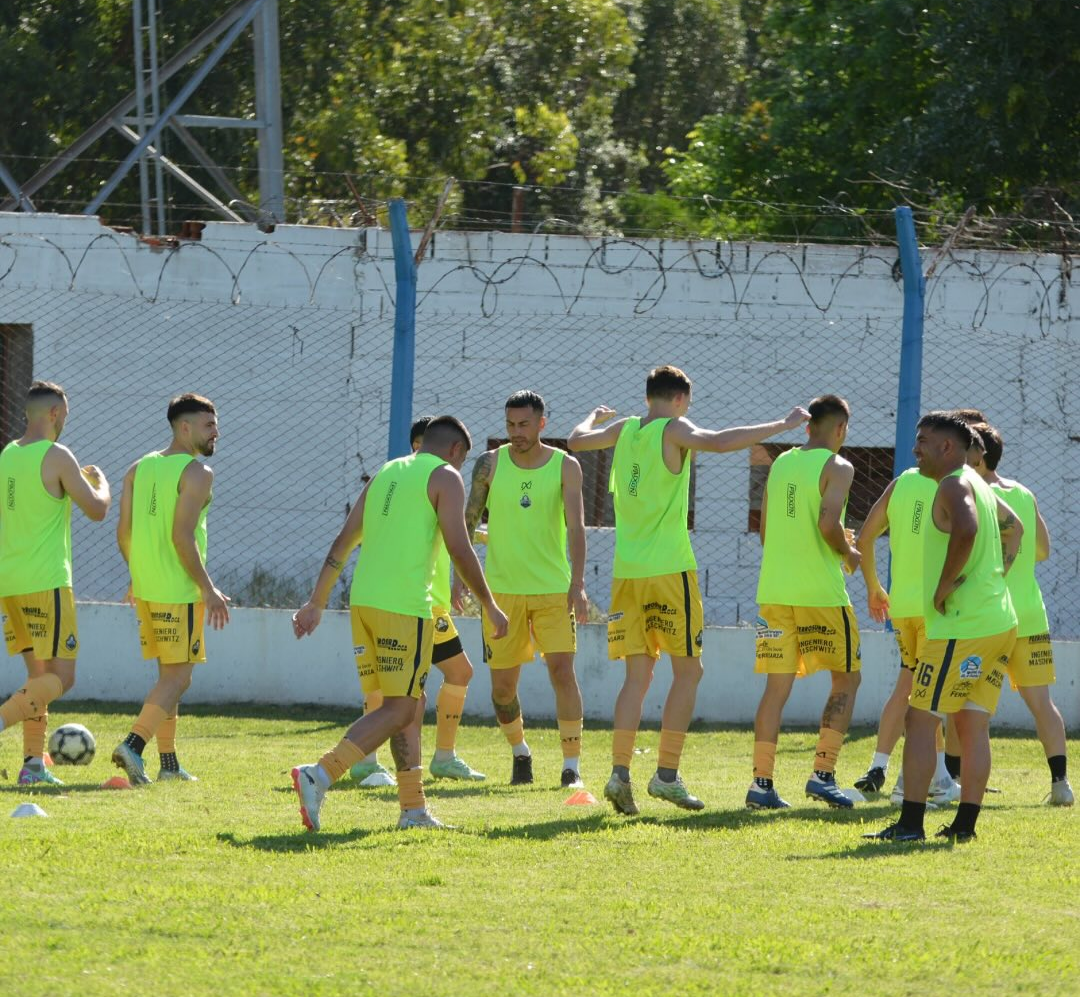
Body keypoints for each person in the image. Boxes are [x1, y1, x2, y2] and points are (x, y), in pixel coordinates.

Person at [569, 365, 808, 814]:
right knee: (689, 672)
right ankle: (666, 775)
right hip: (669, 571)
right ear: (681, 400)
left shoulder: (624, 429)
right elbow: (718, 442)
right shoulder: (674, 429)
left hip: (627, 574)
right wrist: (783, 425)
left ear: (647, 397)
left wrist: (593, 418)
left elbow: (577, 441)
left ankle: (620, 773)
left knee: (637, 677)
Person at [290, 416, 508, 832]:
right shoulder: (446, 476)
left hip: (365, 603)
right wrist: (490, 605)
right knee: (401, 706)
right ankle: (320, 774)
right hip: (405, 608)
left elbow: (343, 541)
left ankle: (413, 810)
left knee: (411, 704)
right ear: (457, 452)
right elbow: (460, 549)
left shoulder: (385, 473)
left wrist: (317, 601)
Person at [866, 412, 1020, 842]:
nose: (915, 449)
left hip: (961, 626)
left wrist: (945, 586)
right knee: (971, 724)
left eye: (922, 441)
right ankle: (964, 826)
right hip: (998, 621)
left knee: (920, 720)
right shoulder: (981, 485)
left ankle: (910, 824)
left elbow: (967, 530)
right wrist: (994, 578)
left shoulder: (954, 484)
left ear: (947, 447)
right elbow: (1016, 529)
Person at [461, 390, 589, 788]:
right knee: (502, 689)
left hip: (553, 590)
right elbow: (465, 524)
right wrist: (458, 581)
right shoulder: (488, 465)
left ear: (541, 424)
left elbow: (577, 527)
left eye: (524, 425)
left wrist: (578, 584)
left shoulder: (566, 467)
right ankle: (521, 753)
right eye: (510, 425)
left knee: (562, 673)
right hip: (501, 595)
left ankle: (572, 768)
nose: (516, 432)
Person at [350, 416, 486, 785]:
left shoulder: (415, 484)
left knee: (411, 691)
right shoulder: (423, 480)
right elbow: (452, 544)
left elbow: (451, 541)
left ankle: (416, 776)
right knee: (417, 689)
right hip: (417, 604)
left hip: (421, 601)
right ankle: (375, 763)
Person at [748, 394, 863, 810]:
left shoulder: (780, 464)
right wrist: (848, 553)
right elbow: (828, 523)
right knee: (847, 678)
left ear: (807, 426)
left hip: (775, 593)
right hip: (820, 594)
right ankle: (823, 774)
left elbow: (765, 533)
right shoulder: (839, 466)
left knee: (775, 688)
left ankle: (761, 784)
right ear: (840, 429)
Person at [113, 393, 230, 784]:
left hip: (147, 588)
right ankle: (133, 744)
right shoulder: (198, 473)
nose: (217, 432)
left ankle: (168, 766)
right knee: (179, 678)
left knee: (169, 676)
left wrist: (138, 574)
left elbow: (124, 533)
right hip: (178, 591)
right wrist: (209, 589)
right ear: (184, 428)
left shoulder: (138, 467)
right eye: (208, 425)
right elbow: (183, 537)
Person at [0, 381, 111, 785]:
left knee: (38, 681)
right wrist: (100, 481)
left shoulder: (8, 455)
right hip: (46, 581)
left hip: (9, 583)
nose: (65, 421)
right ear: (53, 414)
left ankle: (32, 767)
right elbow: (97, 510)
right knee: (62, 678)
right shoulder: (58, 455)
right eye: (64, 414)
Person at [969, 422, 1072, 806]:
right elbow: (1042, 548)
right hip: (1029, 612)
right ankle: (1061, 783)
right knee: (1041, 702)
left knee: (966, 702)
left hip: (988, 615)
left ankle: (951, 781)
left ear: (976, 454)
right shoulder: (1023, 492)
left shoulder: (973, 492)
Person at [853, 462, 961, 807]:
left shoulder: (901, 483)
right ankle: (926, 780)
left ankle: (880, 767)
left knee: (909, 685)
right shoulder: (955, 484)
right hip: (937, 608)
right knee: (929, 696)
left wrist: (873, 586)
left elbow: (865, 536)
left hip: (902, 608)